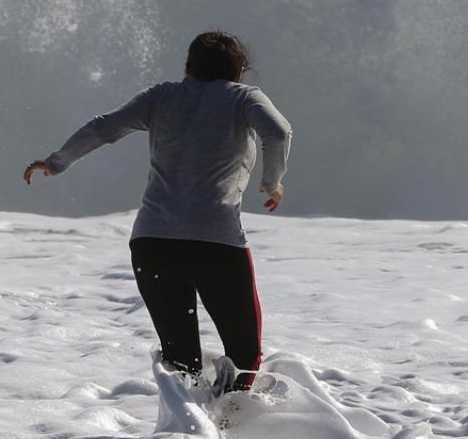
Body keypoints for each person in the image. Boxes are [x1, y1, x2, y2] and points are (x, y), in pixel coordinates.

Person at [22, 31, 292, 393]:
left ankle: (188, 436)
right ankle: (228, 427)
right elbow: (278, 131)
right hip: (216, 245)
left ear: (187, 68)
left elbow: (104, 127)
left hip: (153, 245)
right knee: (244, 355)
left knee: (181, 363)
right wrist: (271, 183)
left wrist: (56, 163)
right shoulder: (244, 99)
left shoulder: (161, 97)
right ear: (240, 71)